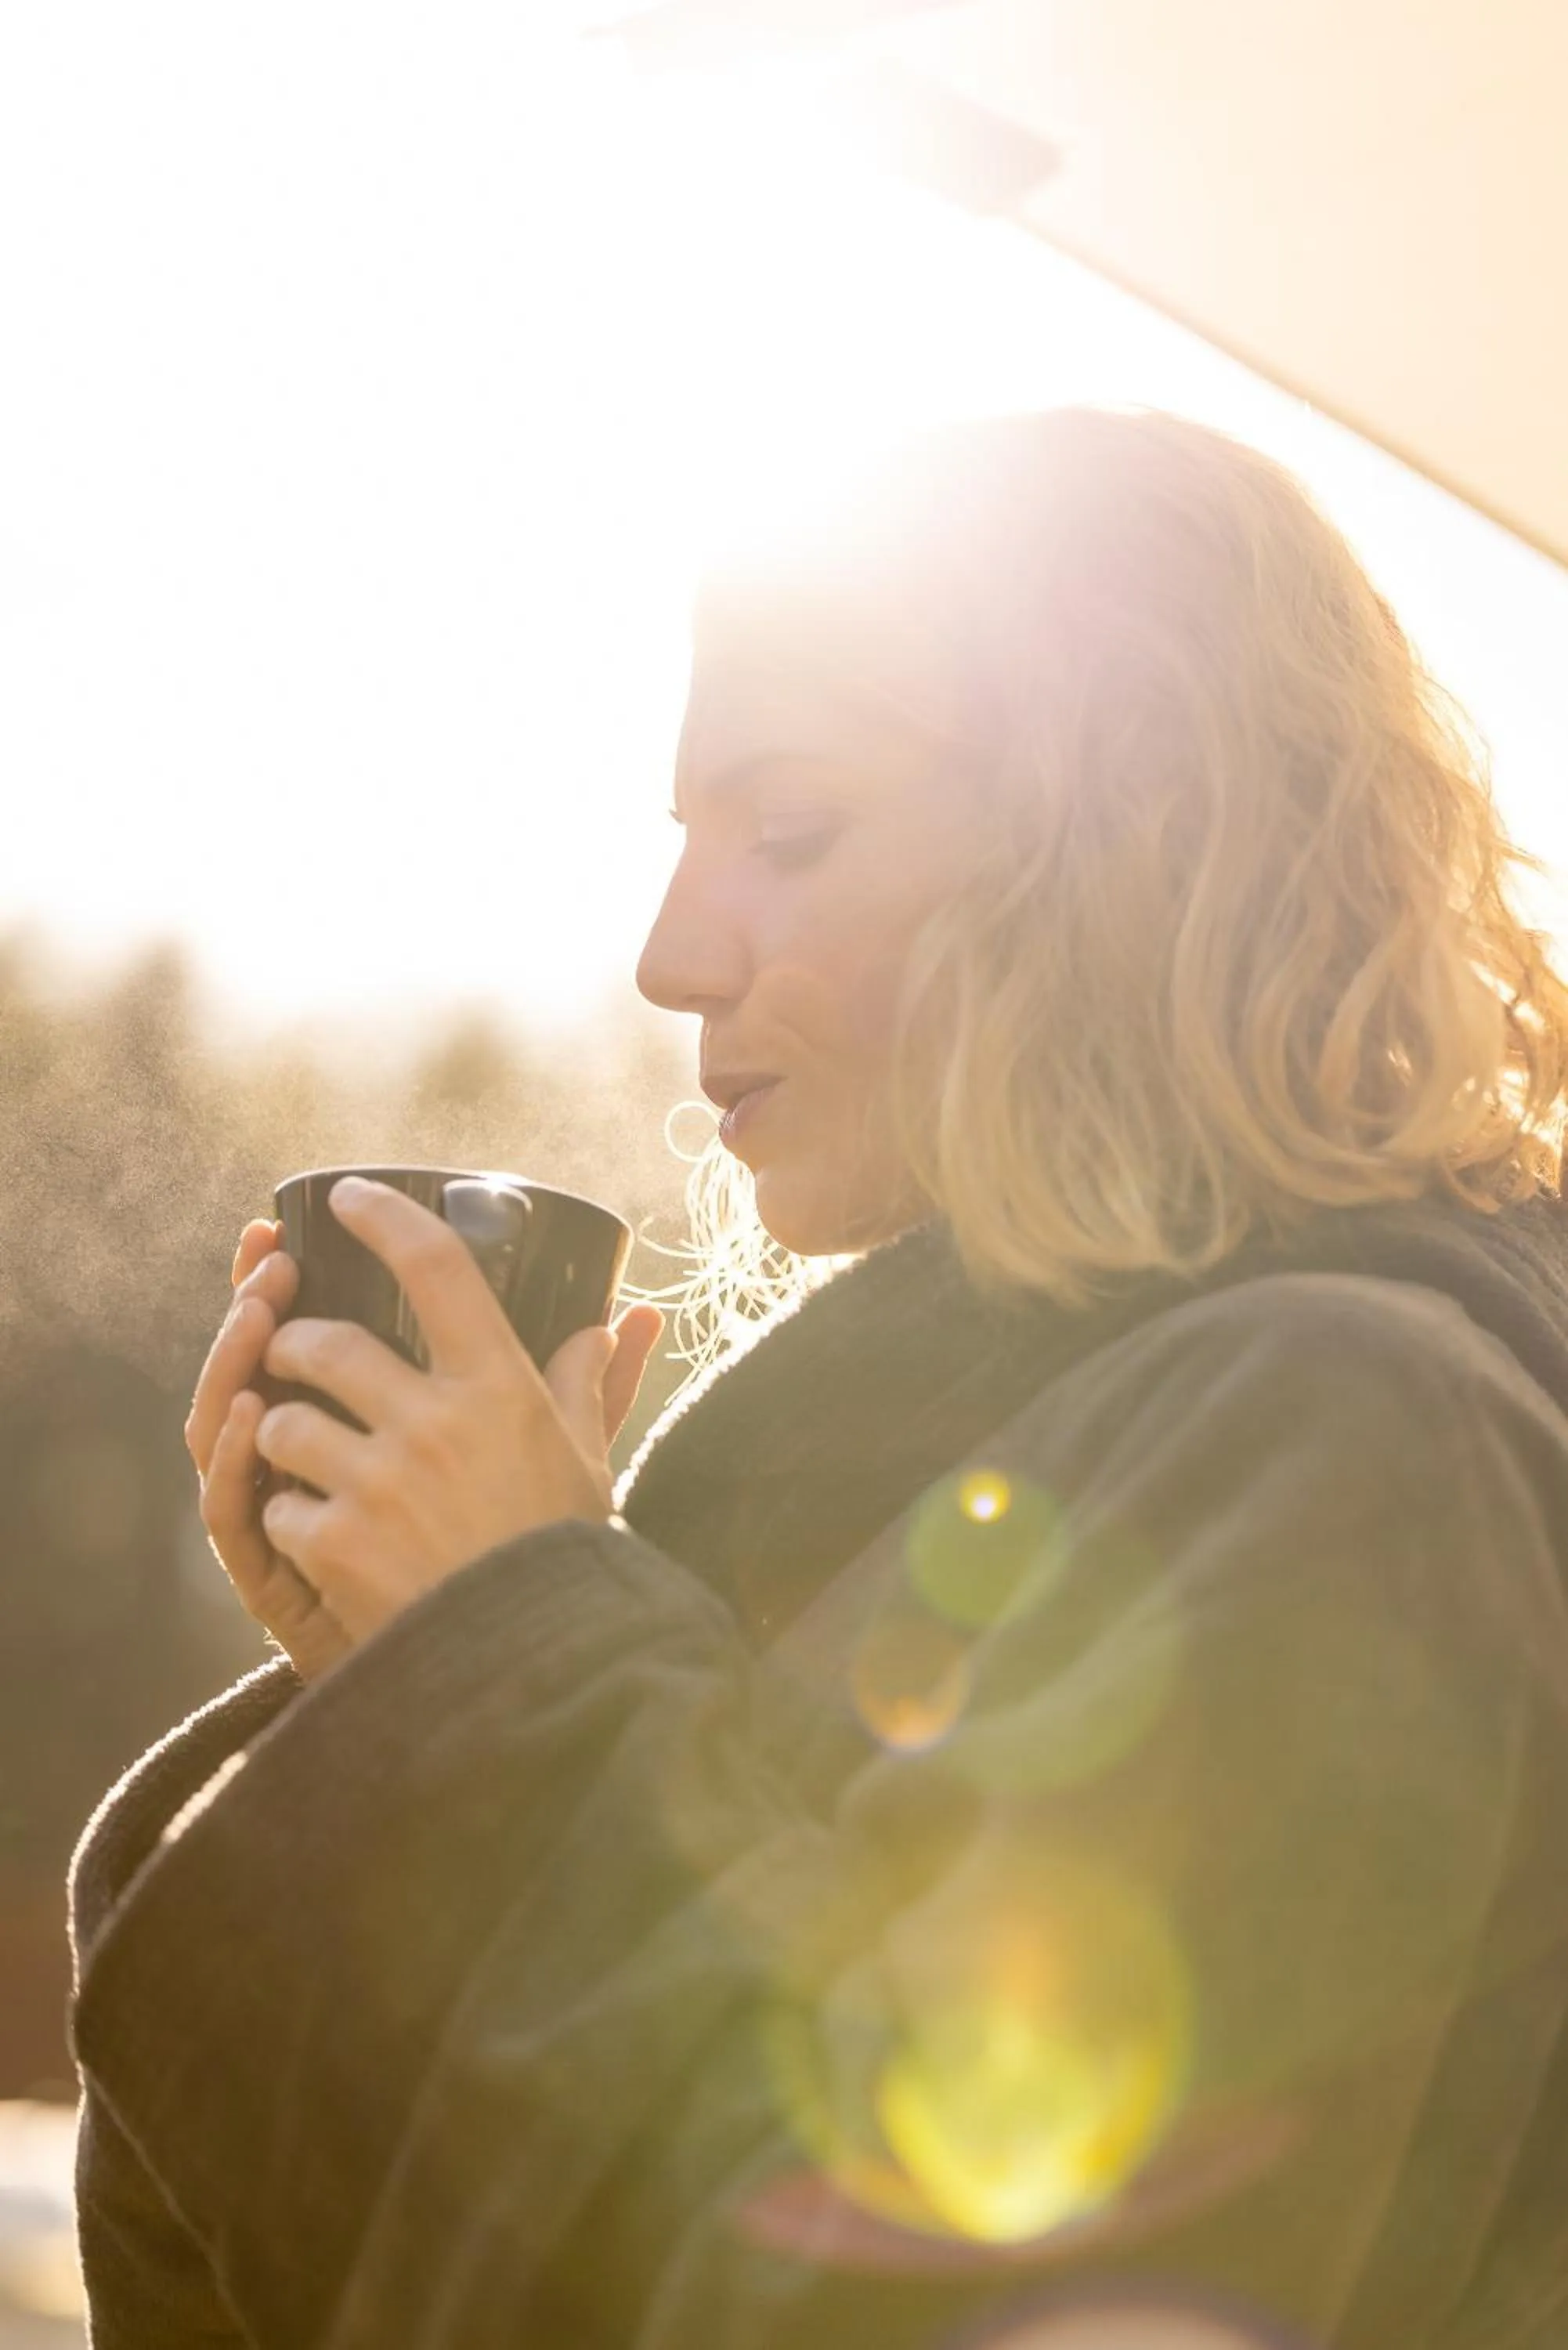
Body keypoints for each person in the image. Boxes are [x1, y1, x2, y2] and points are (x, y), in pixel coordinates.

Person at [67, 407, 1568, 2350]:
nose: (670, 954)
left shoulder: (1363, 1440)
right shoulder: (997, 1466)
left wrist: (510, 1655)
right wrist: (398, 1689)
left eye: (789, 830)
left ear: (1128, 839)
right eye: (685, 845)